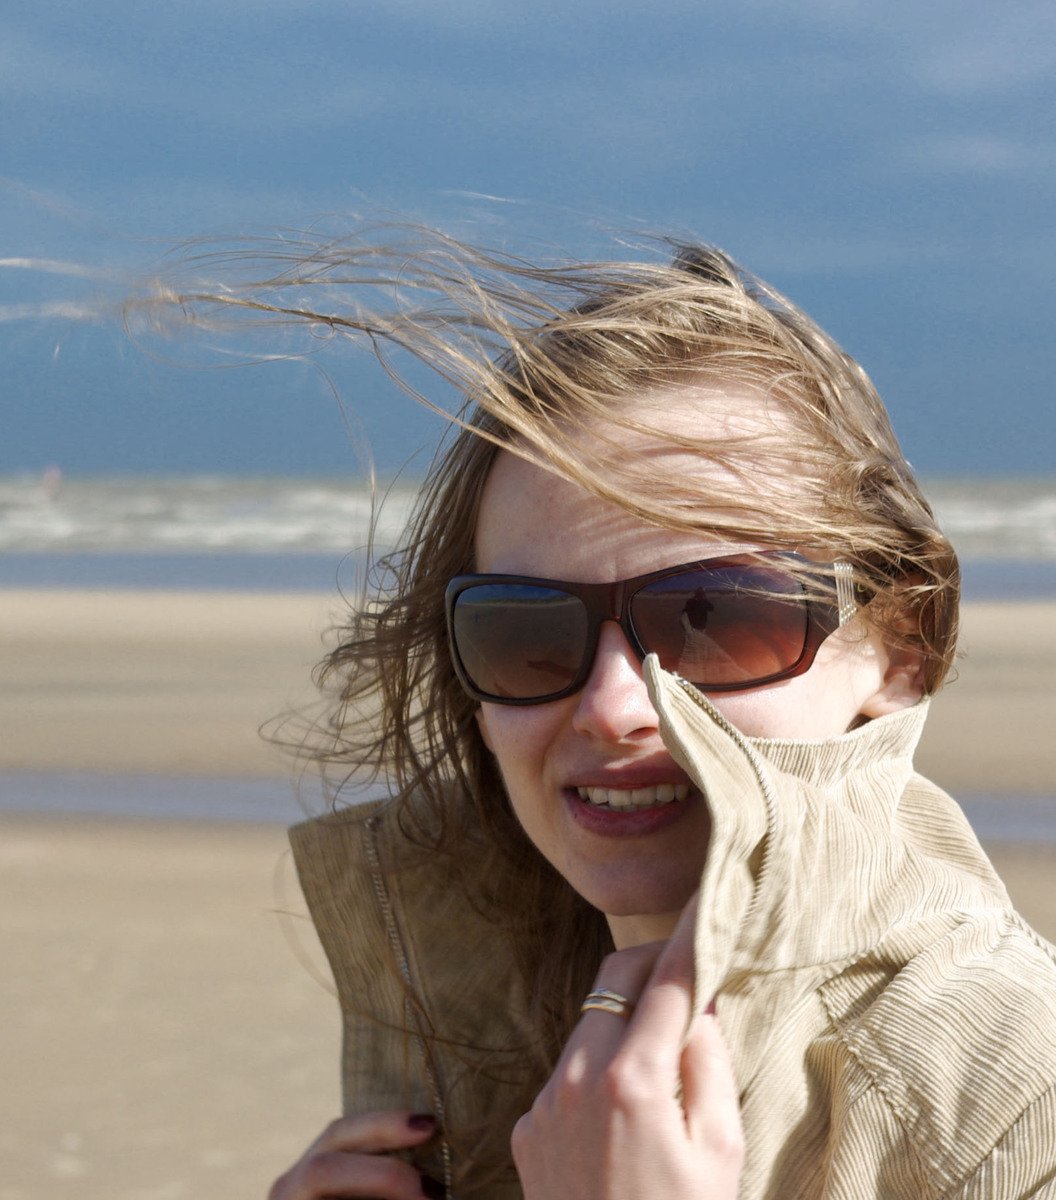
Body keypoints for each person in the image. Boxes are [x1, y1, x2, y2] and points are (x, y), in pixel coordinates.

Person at [180, 233, 1056, 1199]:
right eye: (526, 634)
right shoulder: (492, 1039)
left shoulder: (1015, 1105)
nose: (610, 706)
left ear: (903, 643)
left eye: (711, 619)